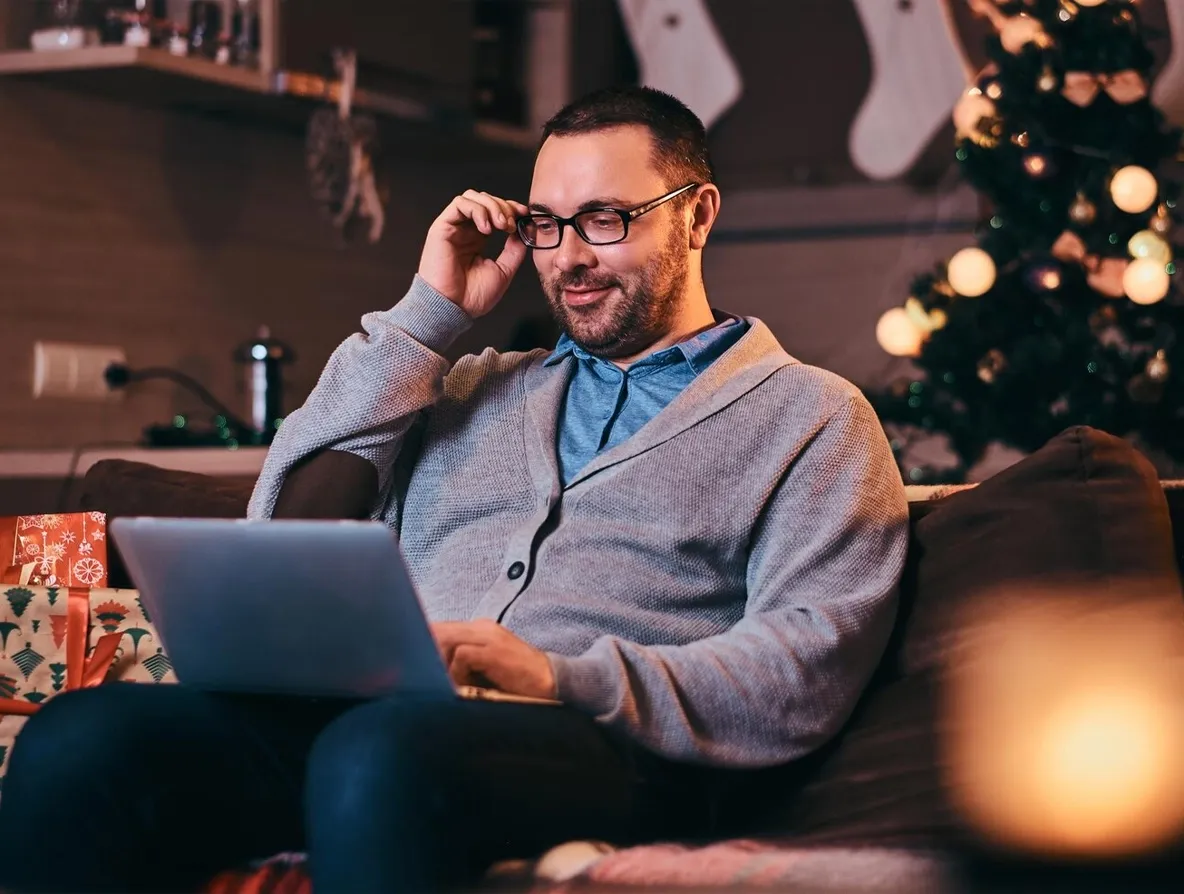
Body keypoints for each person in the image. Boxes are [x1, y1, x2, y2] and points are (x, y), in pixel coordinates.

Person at [0, 86, 908, 893]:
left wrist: (557, 674)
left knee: (378, 756)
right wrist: (429, 316)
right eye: (547, 225)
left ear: (697, 214)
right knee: (83, 740)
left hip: (608, 750)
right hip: (382, 730)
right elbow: (284, 524)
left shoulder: (812, 419)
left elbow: (803, 669)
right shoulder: (470, 383)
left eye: (605, 219)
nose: (567, 259)